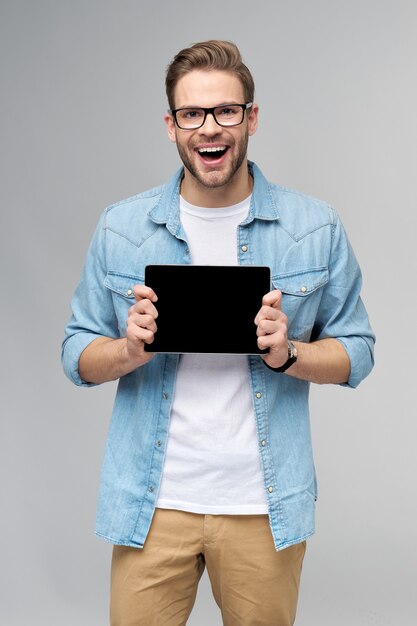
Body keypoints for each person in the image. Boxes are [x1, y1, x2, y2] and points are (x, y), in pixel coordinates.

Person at [62, 40, 375, 626]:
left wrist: (289, 354)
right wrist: (129, 349)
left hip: (262, 508)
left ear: (251, 118)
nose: (210, 128)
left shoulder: (314, 227)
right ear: (171, 125)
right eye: (192, 114)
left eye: (226, 111)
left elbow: (357, 352)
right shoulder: (122, 227)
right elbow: (76, 352)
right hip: (151, 506)